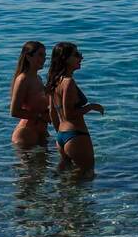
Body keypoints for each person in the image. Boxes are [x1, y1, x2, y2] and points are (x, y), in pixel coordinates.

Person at [47, 42, 104, 171]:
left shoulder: (54, 81)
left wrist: (61, 136)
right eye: (77, 55)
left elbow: (52, 113)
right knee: (86, 175)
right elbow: (69, 114)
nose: (81, 58)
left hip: (62, 135)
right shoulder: (68, 82)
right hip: (76, 135)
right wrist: (91, 107)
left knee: (66, 178)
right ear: (65, 59)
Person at [9, 41, 49, 149]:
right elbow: (14, 111)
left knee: (46, 165)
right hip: (26, 133)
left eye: (45, 55)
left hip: (41, 131)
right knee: (27, 166)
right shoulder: (23, 79)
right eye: (40, 55)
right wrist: (40, 116)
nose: (44, 59)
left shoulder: (38, 79)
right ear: (28, 57)